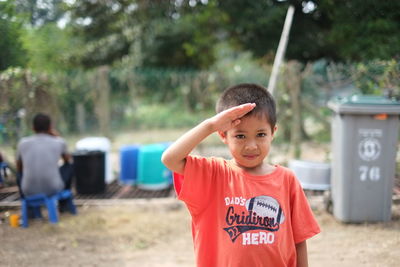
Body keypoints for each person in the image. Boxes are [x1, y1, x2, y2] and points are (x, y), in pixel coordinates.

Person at [162, 83, 320, 267]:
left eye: (261, 134)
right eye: (240, 136)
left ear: (273, 133)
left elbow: (299, 240)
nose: (251, 145)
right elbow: (170, 159)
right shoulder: (212, 174)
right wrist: (210, 125)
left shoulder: (287, 179)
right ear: (223, 135)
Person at [16, 113, 73, 198]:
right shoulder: (59, 142)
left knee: (19, 173)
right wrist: (56, 136)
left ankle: (28, 205)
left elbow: (19, 168)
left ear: (33, 128)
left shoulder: (22, 143)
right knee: (69, 166)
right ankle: (63, 203)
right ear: (50, 127)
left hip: (28, 190)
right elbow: (67, 160)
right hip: (53, 189)